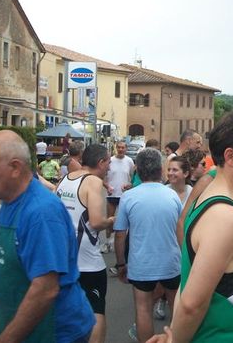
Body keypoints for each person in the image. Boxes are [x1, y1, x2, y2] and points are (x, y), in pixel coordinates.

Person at [148, 110, 233, 343]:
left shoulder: (211, 201)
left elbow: (189, 283)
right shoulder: (224, 217)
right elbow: (192, 304)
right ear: (231, 156)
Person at [0, 130, 95, 342]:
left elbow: (45, 290)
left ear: (15, 167)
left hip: (54, 333)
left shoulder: (41, 213)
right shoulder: (9, 202)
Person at [115, 148, 182, 343]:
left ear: (138, 170)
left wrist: (120, 263)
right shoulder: (172, 196)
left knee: (143, 309)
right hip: (171, 262)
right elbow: (180, 230)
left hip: (141, 263)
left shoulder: (129, 197)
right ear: (161, 169)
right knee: (175, 306)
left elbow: (120, 235)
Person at [56, 143, 115, 343]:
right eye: (108, 162)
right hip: (88, 261)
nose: (109, 167)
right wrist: (112, 221)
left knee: (67, 312)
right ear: (100, 162)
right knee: (96, 310)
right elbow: (97, 222)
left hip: (63, 258)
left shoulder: (65, 179)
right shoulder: (93, 182)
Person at [103, 141, 135, 253]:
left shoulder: (129, 161)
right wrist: (107, 186)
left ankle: (123, 245)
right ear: (116, 148)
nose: (121, 149)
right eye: (119, 147)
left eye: (123, 147)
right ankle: (108, 243)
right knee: (109, 220)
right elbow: (102, 177)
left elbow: (133, 177)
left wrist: (129, 185)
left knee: (124, 221)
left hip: (124, 196)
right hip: (112, 194)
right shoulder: (110, 160)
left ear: (126, 149)